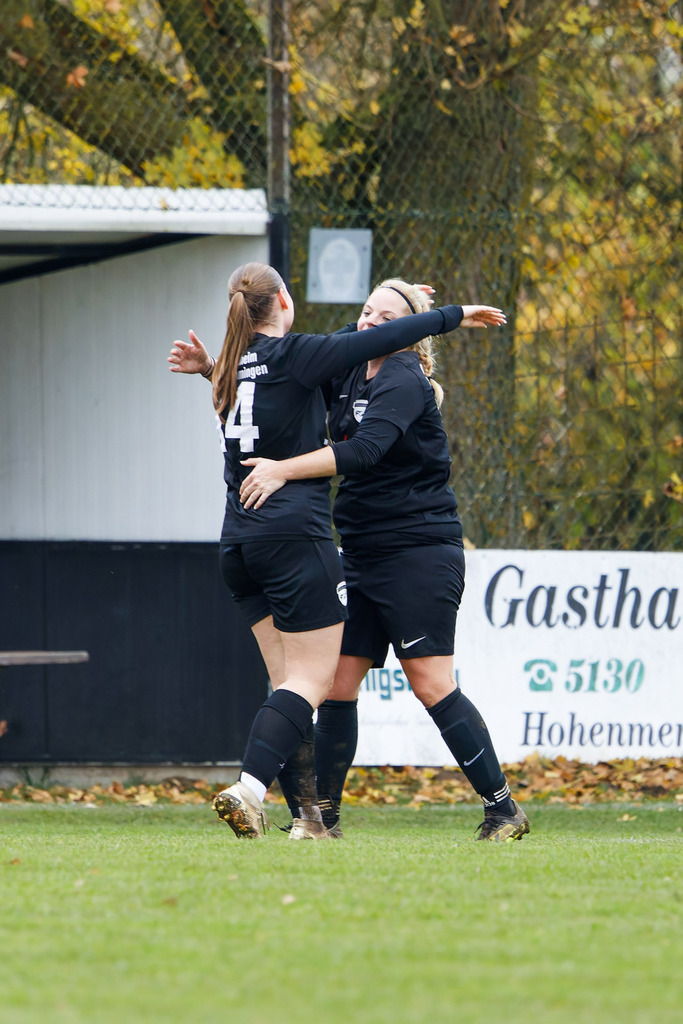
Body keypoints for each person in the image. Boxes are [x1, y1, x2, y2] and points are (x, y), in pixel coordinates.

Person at [168, 262, 506, 840]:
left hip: (416, 548)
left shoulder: (401, 377)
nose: (371, 322)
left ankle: (501, 807)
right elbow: (272, 389)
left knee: (426, 682)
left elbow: (366, 450)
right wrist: (213, 371)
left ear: (407, 332)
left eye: (387, 317)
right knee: (330, 684)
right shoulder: (338, 370)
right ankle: (319, 819)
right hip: (354, 549)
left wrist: (281, 465)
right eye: (367, 311)